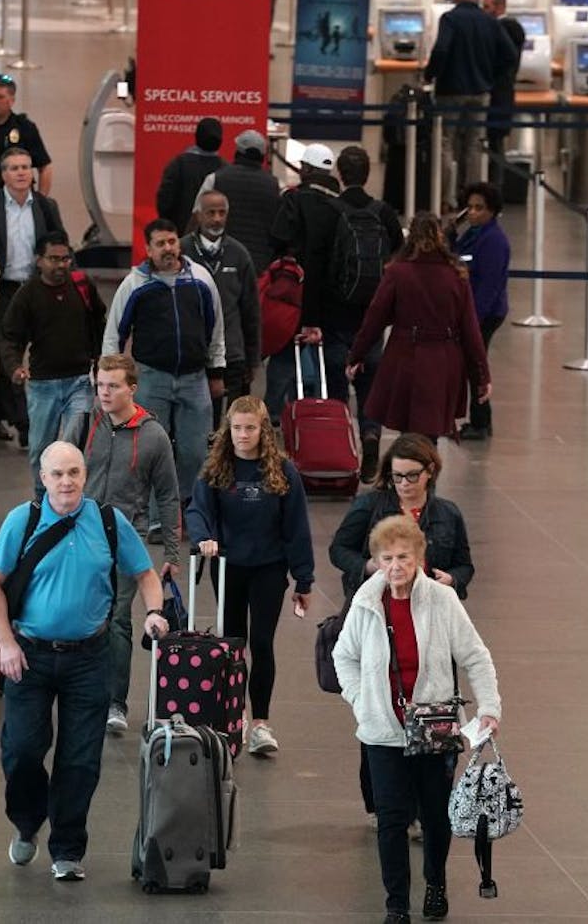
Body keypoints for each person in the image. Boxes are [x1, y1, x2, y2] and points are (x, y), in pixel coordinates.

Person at [0, 441, 168, 882]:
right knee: (23, 750)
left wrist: (155, 611)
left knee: (81, 761)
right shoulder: (21, 521)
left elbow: (145, 574)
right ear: (43, 478)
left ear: (85, 475)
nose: (66, 482)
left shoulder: (107, 521)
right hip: (28, 656)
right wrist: (5, 642)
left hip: (90, 657)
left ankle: (66, 846)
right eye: (57, 474)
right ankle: (28, 824)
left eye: (74, 473)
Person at [332, 514, 500, 924]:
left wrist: (490, 707)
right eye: (386, 557)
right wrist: (361, 700)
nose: (395, 566)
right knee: (390, 819)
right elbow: (343, 656)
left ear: (420, 557)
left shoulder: (443, 601)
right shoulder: (365, 600)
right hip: (382, 730)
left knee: (435, 815)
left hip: (436, 728)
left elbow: (475, 656)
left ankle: (436, 882)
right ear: (376, 560)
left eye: (403, 556)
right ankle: (396, 904)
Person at [328, 434, 474, 827]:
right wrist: (370, 569)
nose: (404, 484)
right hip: (379, 618)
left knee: (434, 717)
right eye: (396, 477)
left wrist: (452, 580)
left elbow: (465, 565)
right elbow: (338, 550)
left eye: (411, 476)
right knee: (379, 720)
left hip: (431, 626)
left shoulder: (447, 514)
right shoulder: (370, 507)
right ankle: (386, 807)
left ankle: (429, 809)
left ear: (430, 473)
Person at [185, 396, 314, 756]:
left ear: (263, 430)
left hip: (269, 569)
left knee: (261, 643)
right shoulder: (216, 469)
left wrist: (304, 580)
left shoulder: (283, 472)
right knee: (231, 645)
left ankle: (260, 723)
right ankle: (232, 718)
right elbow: (198, 510)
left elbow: (297, 528)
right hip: (229, 567)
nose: (243, 435)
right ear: (229, 429)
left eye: (250, 428)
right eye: (237, 428)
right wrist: (203, 538)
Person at [102, 219, 226, 530]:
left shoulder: (200, 279)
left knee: (196, 451)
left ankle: (186, 510)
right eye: (160, 243)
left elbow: (215, 329)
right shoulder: (134, 284)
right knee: (153, 450)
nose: (168, 248)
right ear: (148, 249)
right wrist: (109, 381)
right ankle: (159, 518)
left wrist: (216, 371)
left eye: (172, 241)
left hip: (195, 378)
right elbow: (114, 335)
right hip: (151, 378)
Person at [82, 353, 181, 734]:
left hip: (127, 536)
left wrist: (171, 553)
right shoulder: (85, 422)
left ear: (132, 389)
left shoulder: (153, 436)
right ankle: (83, 691)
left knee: (118, 618)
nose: (104, 393)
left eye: (113, 386)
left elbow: (169, 496)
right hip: (82, 531)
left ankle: (115, 702)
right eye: (100, 385)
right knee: (84, 613)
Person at [347, 213, 491, 443]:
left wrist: (356, 354)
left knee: (410, 430)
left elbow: (374, 319)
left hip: (405, 357)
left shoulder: (397, 273)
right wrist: (481, 376)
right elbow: (471, 331)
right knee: (430, 430)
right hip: (444, 361)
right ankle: (426, 475)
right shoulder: (457, 275)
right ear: (440, 236)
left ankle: (409, 474)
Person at [0, 147, 65, 445]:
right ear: (3, 174)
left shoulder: (45, 206)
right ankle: (26, 424)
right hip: (1, 289)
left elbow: (59, 245)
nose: (22, 172)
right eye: (14, 168)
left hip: (34, 288)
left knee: (9, 358)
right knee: (8, 352)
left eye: (26, 167)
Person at [0, 231, 103, 487]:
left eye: (65, 259)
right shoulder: (28, 294)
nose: (60, 265)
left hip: (79, 381)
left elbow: (100, 323)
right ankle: (42, 500)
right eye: (53, 259)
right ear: (39, 260)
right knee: (40, 450)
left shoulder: (82, 286)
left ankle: (72, 497)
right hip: (43, 385)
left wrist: (100, 361)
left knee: (72, 446)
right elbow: (10, 335)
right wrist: (14, 366)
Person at [334, 145, 405, 480]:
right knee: (369, 384)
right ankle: (371, 437)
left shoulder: (333, 209)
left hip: (338, 312)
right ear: (368, 174)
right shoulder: (383, 212)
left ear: (339, 173)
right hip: (373, 315)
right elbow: (398, 255)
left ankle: (337, 452)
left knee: (335, 386)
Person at [423, 0, 518, 210]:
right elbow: (510, 54)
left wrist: (430, 74)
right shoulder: (490, 21)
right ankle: (473, 201)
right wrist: (491, 77)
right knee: (474, 145)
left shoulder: (450, 18)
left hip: (450, 91)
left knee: (446, 143)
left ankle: (445, 198)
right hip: (480, 92)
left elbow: (442, 49)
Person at [266, 141, 345, 421]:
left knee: (286, 354)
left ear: (306, 168)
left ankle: (275, 415)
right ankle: (321, 418)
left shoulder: (293, 199)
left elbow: (277, 238)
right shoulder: (340, 206)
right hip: (330, 296)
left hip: (294, 291)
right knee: (326, 357)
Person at [180, 190, 261, 429]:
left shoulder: (239, 254)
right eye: (210, 213)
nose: (216, 219)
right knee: (205, 424)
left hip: (232, 354)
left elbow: (251, 310)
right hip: (194, 355)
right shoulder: (183, 251)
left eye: (222, 213)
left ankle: (231, 464)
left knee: (238, 423)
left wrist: (253, 358)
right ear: (198, 215)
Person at [449, 183, 510, 441]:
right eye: (470, 207)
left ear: (492, 211)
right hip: (470, 310)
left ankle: (481, 422)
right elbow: (456, 257)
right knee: (473, 364)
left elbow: (490, 286)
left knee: (476, 365)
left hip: (484, 313)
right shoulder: (473, 234)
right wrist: (451, 232)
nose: (472, 213)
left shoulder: (494, 242)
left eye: (479, 208)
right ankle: (479, 420)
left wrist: (473, 320)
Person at [207, 129, 281, 274]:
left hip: (221, 261)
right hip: (258, 265)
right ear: (262, 156)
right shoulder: (273, 185)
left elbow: (197, 217)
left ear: (238, 152)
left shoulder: (216, 179)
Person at [480, 0, 525, 168]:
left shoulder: (506, 28)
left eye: (487, 6)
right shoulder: (511, 28)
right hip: (501, 91)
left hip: (498, 91)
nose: (483, 11)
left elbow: (503, 60)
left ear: (499, 7)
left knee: (495, 144)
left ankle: (495, 187)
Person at [156, 117, 225, 229]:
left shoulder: (179, 164)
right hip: (215, 234)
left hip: (181, 231)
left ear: (196, 136)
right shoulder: (224, 169)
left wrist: (169, 225)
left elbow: (165, 200)